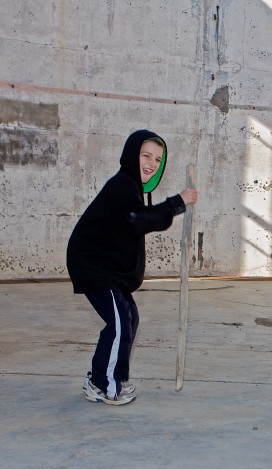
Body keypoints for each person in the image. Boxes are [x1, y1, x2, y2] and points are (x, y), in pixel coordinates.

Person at [67, 130, 198, 405]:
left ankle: (99, 380)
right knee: (119, 325)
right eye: (146, 155)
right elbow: (140, 219)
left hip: (107, 268)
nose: (151, 163)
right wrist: (177, 202)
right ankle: (107, 388)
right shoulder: (122, 186)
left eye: (158, 159)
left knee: (128, 319)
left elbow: (137, 222)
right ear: (131, 155)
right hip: (93, 265)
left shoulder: (132, 188)